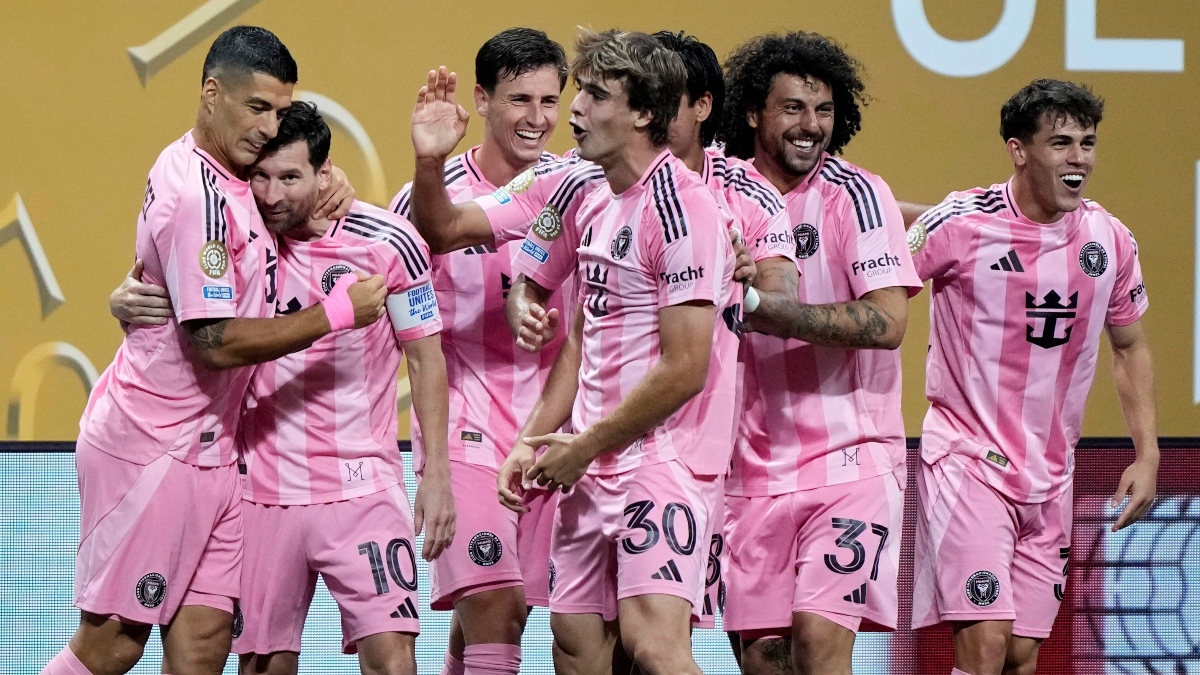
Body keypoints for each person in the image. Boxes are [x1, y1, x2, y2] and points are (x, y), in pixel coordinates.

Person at [43, 27, 382, 675]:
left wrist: (329, 180)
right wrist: (337, 313)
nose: (269, 127)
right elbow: (214, 343)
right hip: (154, 446)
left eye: (280, 111)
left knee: (204, 642)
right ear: (211, 94)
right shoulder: (196, 195)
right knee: (113, 643)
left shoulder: (233, 171)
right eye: (256, 108)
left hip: (216, 451)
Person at [497, 29, 737, 675]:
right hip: (587, 460)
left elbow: (685, 368)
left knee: (654, 647)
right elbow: (583, 333)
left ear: (644, 113)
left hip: (662, 464)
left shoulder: (684, 210)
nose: (575, 109)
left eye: (597, 95)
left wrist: (585, 446)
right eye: (581, 91)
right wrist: (532, 440)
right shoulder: (590, 196)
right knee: (576, 649)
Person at [908, 79, 1158, 675]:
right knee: (986, 643)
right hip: (967, 460)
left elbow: (1130, 347)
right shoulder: (962, 222)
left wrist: (1147, 453)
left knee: (1021, 656)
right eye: (1061, 143)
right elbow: (878, 286)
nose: (1079, 159)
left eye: (1087, 143)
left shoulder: (1110, 240)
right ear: (1019, 150)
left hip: (1051, 474)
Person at [716, 32, 923, 675]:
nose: (811, 125)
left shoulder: (858, 195)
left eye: (824, 110)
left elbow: (887, 323)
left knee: (818, 644)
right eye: (793, 108)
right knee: (764, 659)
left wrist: (767, 310)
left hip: (850, 463)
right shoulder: (715, 191)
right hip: (745, 472)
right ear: (753, 113)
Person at [229, 101, 451, 675]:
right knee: (262, 665)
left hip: (363, 489)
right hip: (261, 492)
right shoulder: (237, 234)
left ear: (324, 172)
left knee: (393, 659)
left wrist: (435, 475)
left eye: (289, 178)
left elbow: (426, 359)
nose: (271, 195)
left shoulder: (389, 241)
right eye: (260, 176)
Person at [398, 28, 570, 675]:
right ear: (481, 100)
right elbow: (386, 305)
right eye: (520, 99)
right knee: (497, 605)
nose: (537, 118)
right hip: (465, 432)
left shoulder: (576, 188)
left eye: (549, 101)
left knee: (503, 619)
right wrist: (431, 469)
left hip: (555, 435)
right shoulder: (430, 198)